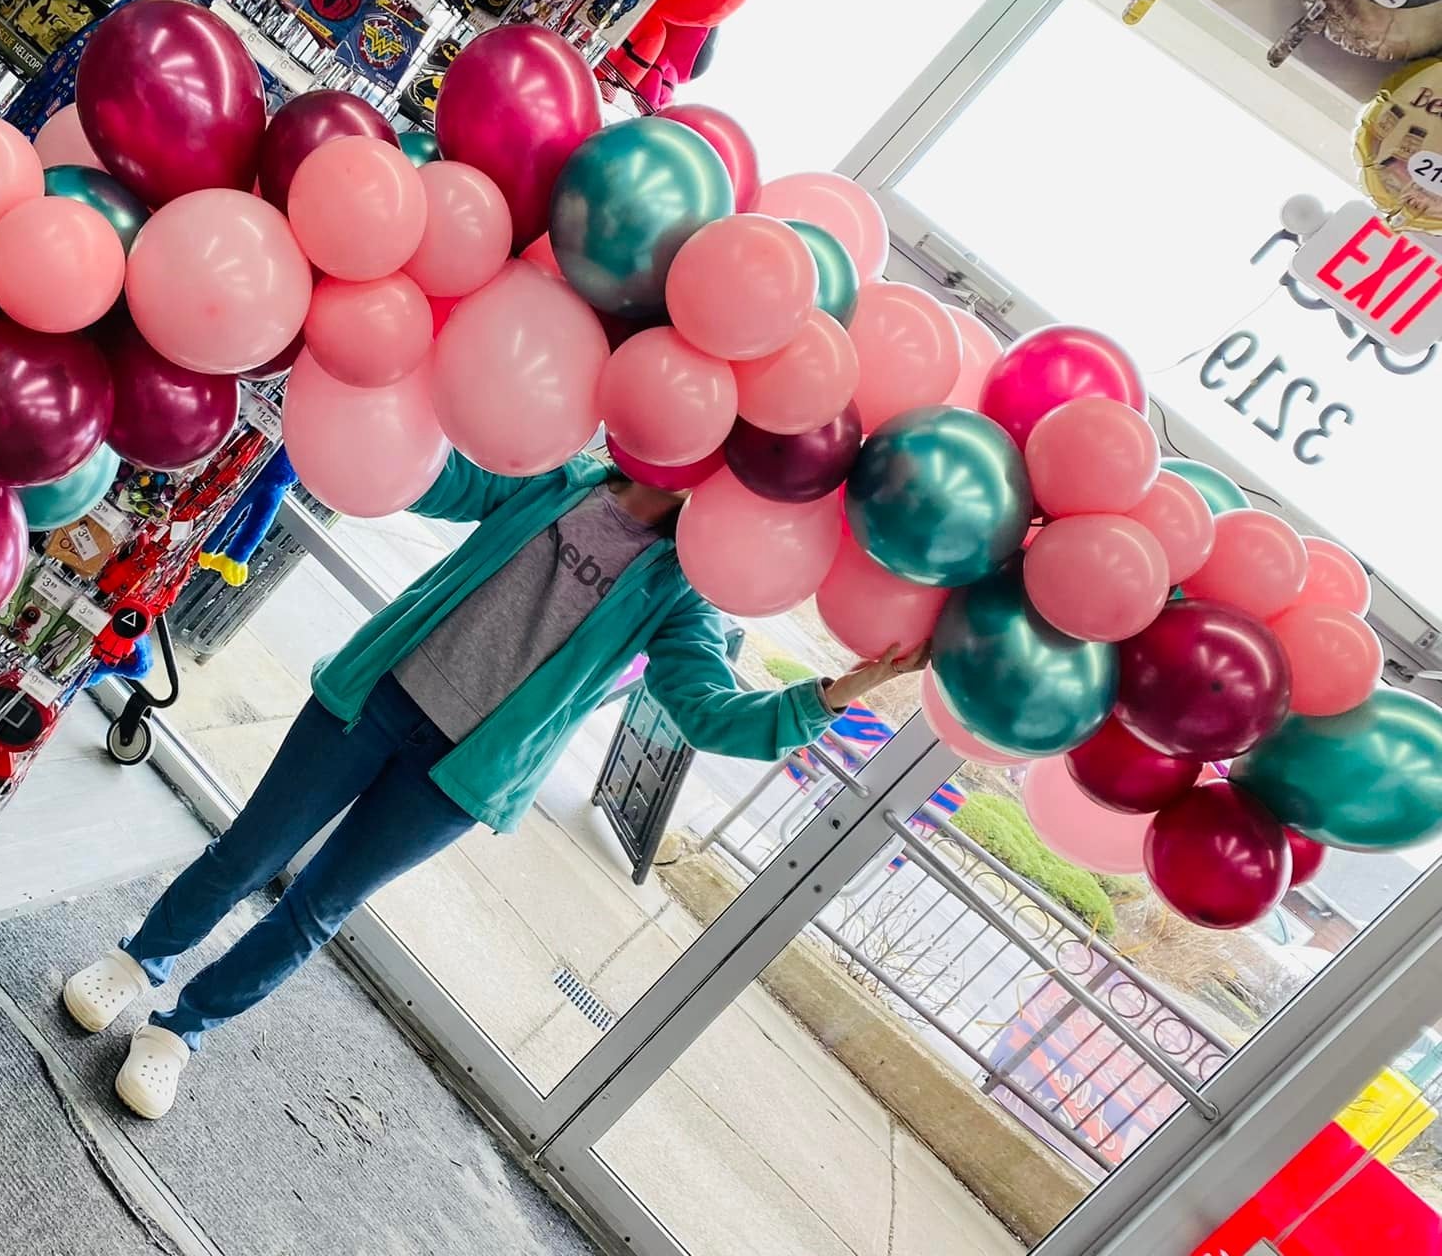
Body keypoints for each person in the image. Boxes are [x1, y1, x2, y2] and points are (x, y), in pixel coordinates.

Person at [64, 451, 927, 1118]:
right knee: (250, 849)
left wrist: (839, 692)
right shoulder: (560, 476)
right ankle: (138, 961)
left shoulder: (684, 592)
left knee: (316, 910)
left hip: (459, 775)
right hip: (377, 695)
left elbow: (709, 714)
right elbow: (437, 478)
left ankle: (183, 1032)